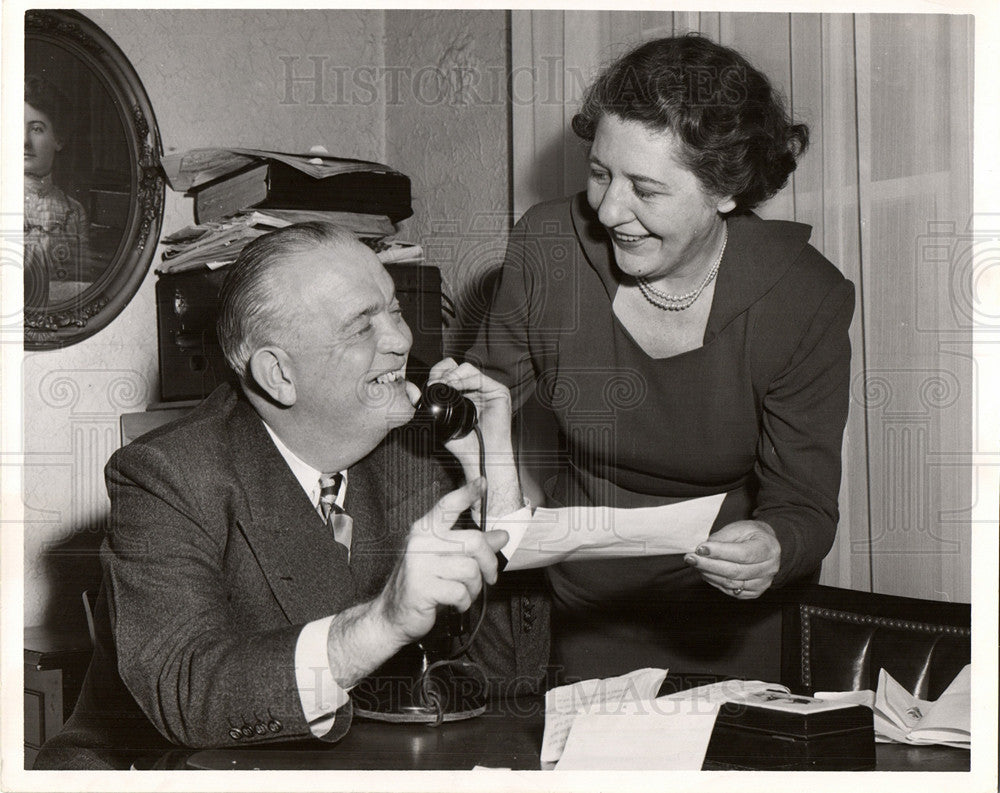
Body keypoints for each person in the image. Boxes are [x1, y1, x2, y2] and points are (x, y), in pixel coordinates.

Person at [34, 222, 548, 770]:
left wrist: (493, 474)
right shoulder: (167, 475)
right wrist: (381, 623)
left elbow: (508, 674)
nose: (402, 340)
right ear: (279, 374)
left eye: (394, 309)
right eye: (361, 327)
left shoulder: (412, 453)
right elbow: (191, 693)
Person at [468, 34, 854, 680]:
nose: (608, 208)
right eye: (599, 172)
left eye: (645, 189)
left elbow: (805, 504)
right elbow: (480, 400)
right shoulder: (548, 245)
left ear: (725, 192)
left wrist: (773, 544)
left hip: (727, 625)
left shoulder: (803, 297)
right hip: (581, 612)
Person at [24, 74, 90, 306]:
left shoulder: (73, 211)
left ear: (59, 139)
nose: (24, 141)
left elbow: (82, 290)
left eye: (37, 129)